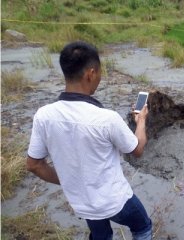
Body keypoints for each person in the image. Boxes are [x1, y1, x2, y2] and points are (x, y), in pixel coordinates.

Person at [26, 41, 152, 240]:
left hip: (81, 202)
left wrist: (70, 182)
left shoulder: (43, 116)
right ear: (91, 74)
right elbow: (136, 149)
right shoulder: (106, 119)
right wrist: (141, 120)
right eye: (100, 73)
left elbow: (34, 165)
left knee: (100, 235)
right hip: (115, 201)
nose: (100, 78)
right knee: (143, 227)